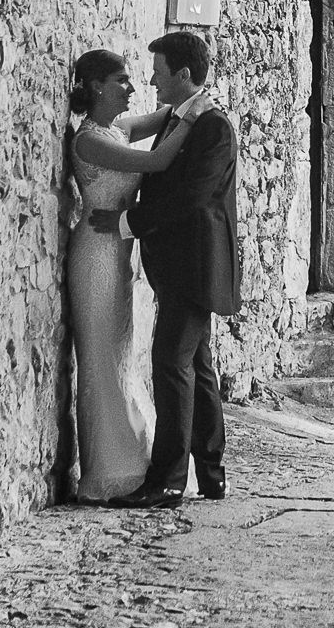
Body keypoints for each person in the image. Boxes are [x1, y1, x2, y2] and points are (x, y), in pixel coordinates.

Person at [90, 31, 242, 509]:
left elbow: (192, 197)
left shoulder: (212, 126)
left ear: (182, 74)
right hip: (180, 266)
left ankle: (170, 480)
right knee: (197, 367)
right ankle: (212, 477)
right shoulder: (185, 117)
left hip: (195, 266)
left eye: (158, 73)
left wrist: (128, 222)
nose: (152, 81)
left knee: (171, 365)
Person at [62, 49, 205, 504]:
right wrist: (195, 114)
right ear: (99, 87)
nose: (132, 88)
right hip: (96, 257)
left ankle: (132, 455)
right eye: (123, 81)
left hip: (120, 255)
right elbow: (160, 160)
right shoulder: (89, 141)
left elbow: (163, 114)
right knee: (102, 359)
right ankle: (109, 470)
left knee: (121, 356)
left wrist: (190, 91)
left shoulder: (117, 129)